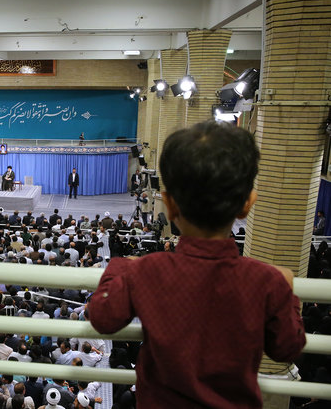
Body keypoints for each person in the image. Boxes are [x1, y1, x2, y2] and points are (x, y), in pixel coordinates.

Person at [87, 121, 306, 408]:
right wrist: (287, 295)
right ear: (247, 204)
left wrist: (119, 266)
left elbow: (102, 317)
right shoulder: (266, 281)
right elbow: (287, 346)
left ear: (169, 204)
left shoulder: (145, 271)